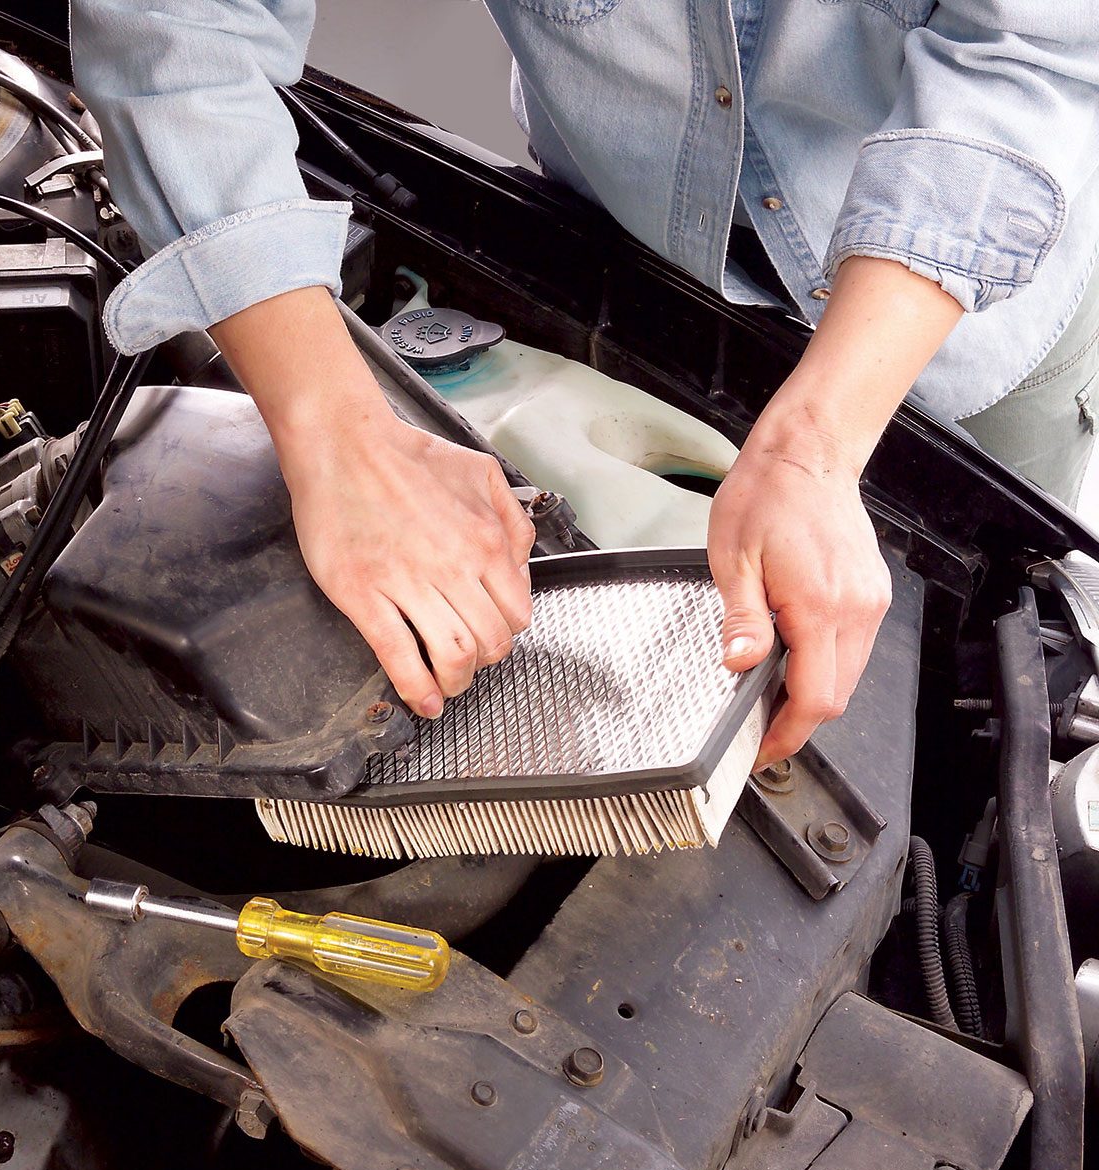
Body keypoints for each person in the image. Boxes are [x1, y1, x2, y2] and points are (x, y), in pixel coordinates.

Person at [70, 1, 1099, 766]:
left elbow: (1032, 47)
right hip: (629, 253)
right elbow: (173, 32)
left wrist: (812, 448)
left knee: (993, 694)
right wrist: (336, 432)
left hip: (962, 307)